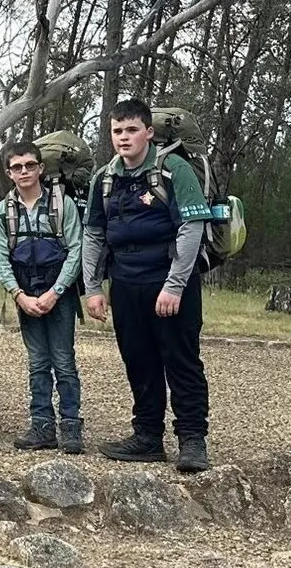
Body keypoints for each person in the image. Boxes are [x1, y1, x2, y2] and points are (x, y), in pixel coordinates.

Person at [83, 98, 212, 473]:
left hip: (170, 280)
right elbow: (94, 234)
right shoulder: (104, 180)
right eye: (117, 131)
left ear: (148, 132)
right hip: (125, 281)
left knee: (181, 360)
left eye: (131, 130)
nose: (124, 138)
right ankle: (147, 436)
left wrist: (174, 285)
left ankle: (192, 440)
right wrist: (92, 287)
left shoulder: (174, 171)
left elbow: (192, 227)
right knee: (139, 361)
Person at [0, 141, 83, 454]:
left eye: (30, 165)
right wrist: (19, 295)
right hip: (25, 290)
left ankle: (71, 426)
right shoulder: (3, 212)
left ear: (40, 168)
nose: (24, 172)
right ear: (9, 172)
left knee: (64, 360)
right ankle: (41, 424)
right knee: (38, 361)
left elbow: (76, 249)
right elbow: (0, 257)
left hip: (60, 291)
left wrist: (56, 292)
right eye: (17, 167)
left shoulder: (62, 205)